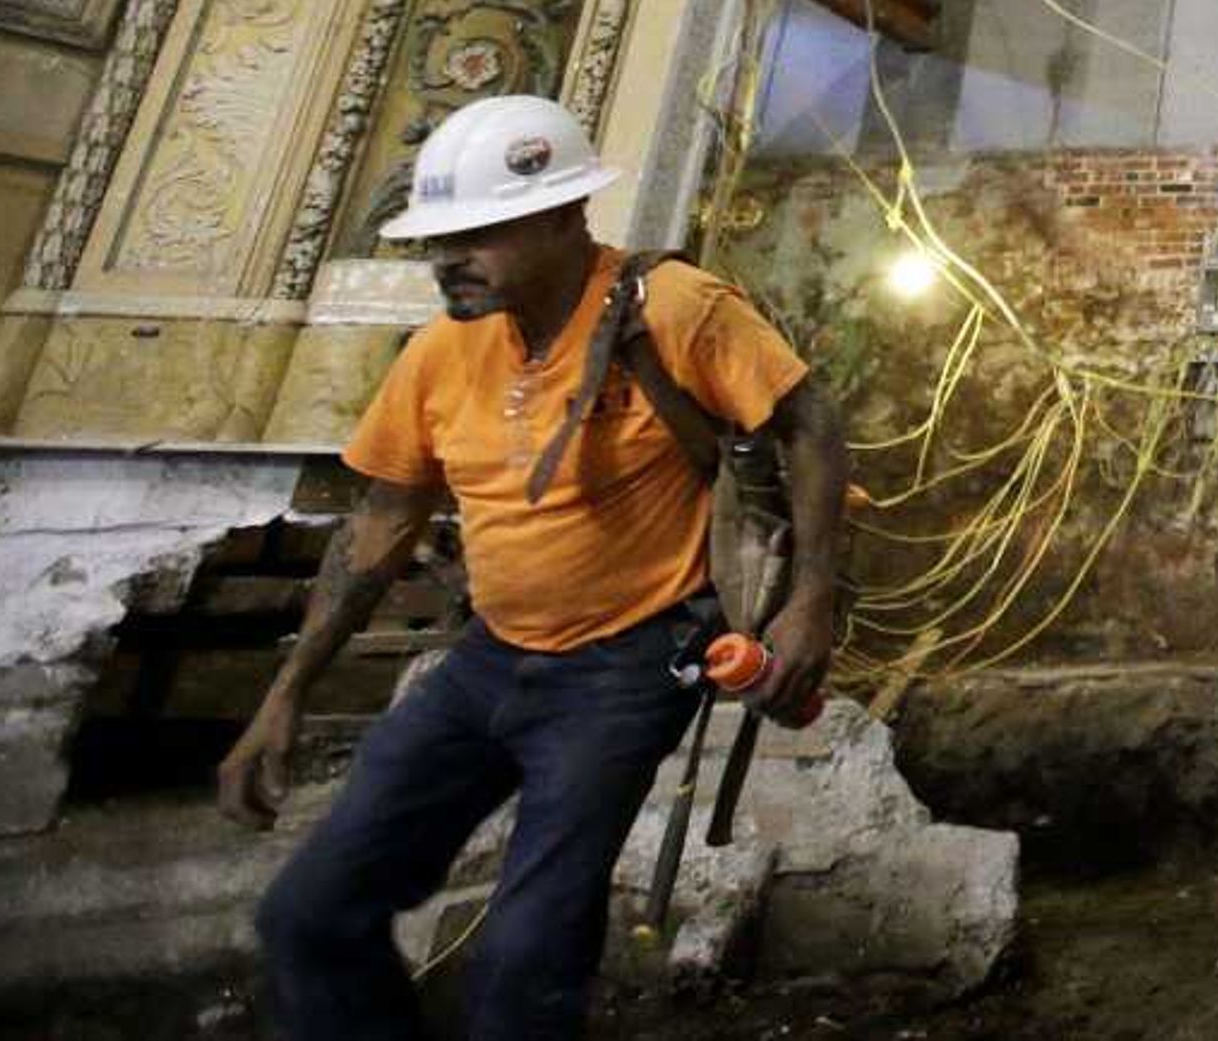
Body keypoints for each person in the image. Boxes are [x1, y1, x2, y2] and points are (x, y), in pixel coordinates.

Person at [218, 92, 848, 1041]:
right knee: (307, 915)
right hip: (488, 660)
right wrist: (287, 689)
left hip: (627, 665)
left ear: (564, 216)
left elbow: (811, 426)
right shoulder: (439, 352)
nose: (448, 260)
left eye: (478, 234)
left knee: (525, 965)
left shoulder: (673, 307)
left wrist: (810, 603)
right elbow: (380, 526)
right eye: (437, 240)